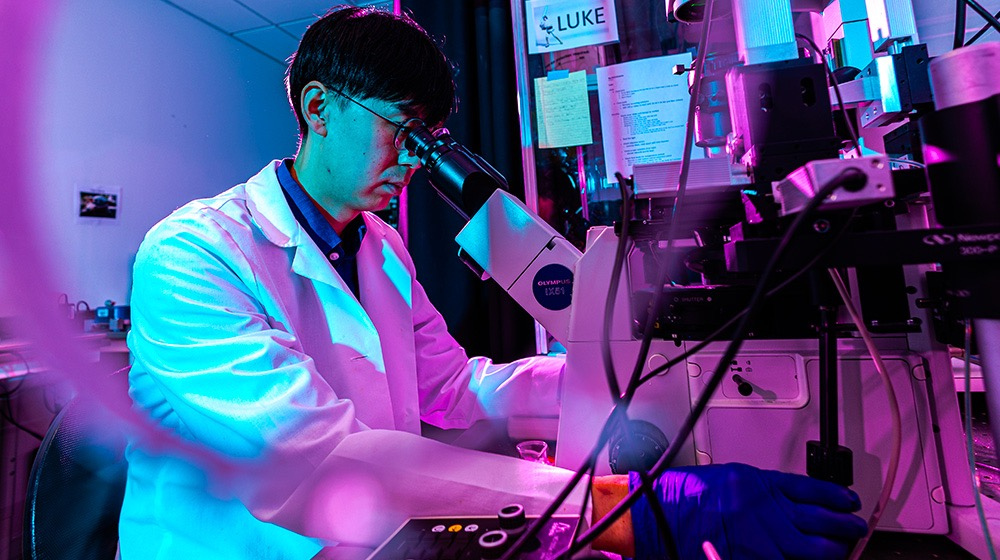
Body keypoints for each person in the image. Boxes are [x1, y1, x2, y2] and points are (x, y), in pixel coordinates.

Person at [119, 5, 867, 559]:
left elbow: (455, 391)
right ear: (319, 108)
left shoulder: (380, 247)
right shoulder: (195, 254)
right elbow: (314, 460)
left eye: (428, 141)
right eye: (401, 132)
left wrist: (600, 370)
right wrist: (620, 508)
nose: (415, 161)